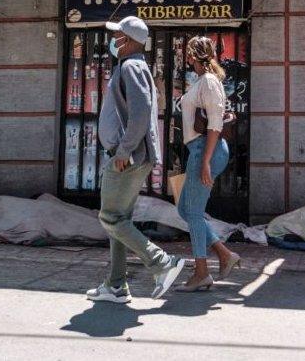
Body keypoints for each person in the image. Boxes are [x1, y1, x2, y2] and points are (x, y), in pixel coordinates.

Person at [87, 16, 185, 303]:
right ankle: (116, 285)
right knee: (120, 219)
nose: (113, 40)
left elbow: (141, 113)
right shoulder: (133, 66)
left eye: (117, 36)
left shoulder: (131, 66)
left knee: (109, 217)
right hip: (130, 155)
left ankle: (162, 263)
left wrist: (123, 151)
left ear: (127, 40)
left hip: (127, 158)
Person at [175, 36, 241, 292]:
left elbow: (215, 125)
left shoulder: (210, 82)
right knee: (185, 210)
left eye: (188, 55)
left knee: (192, 212)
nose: (187, 59)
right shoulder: (202, 81)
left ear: (192, 56)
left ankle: (201, 271)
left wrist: (204, 163)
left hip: (207, 151)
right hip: (202, 150)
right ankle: (224, 255)